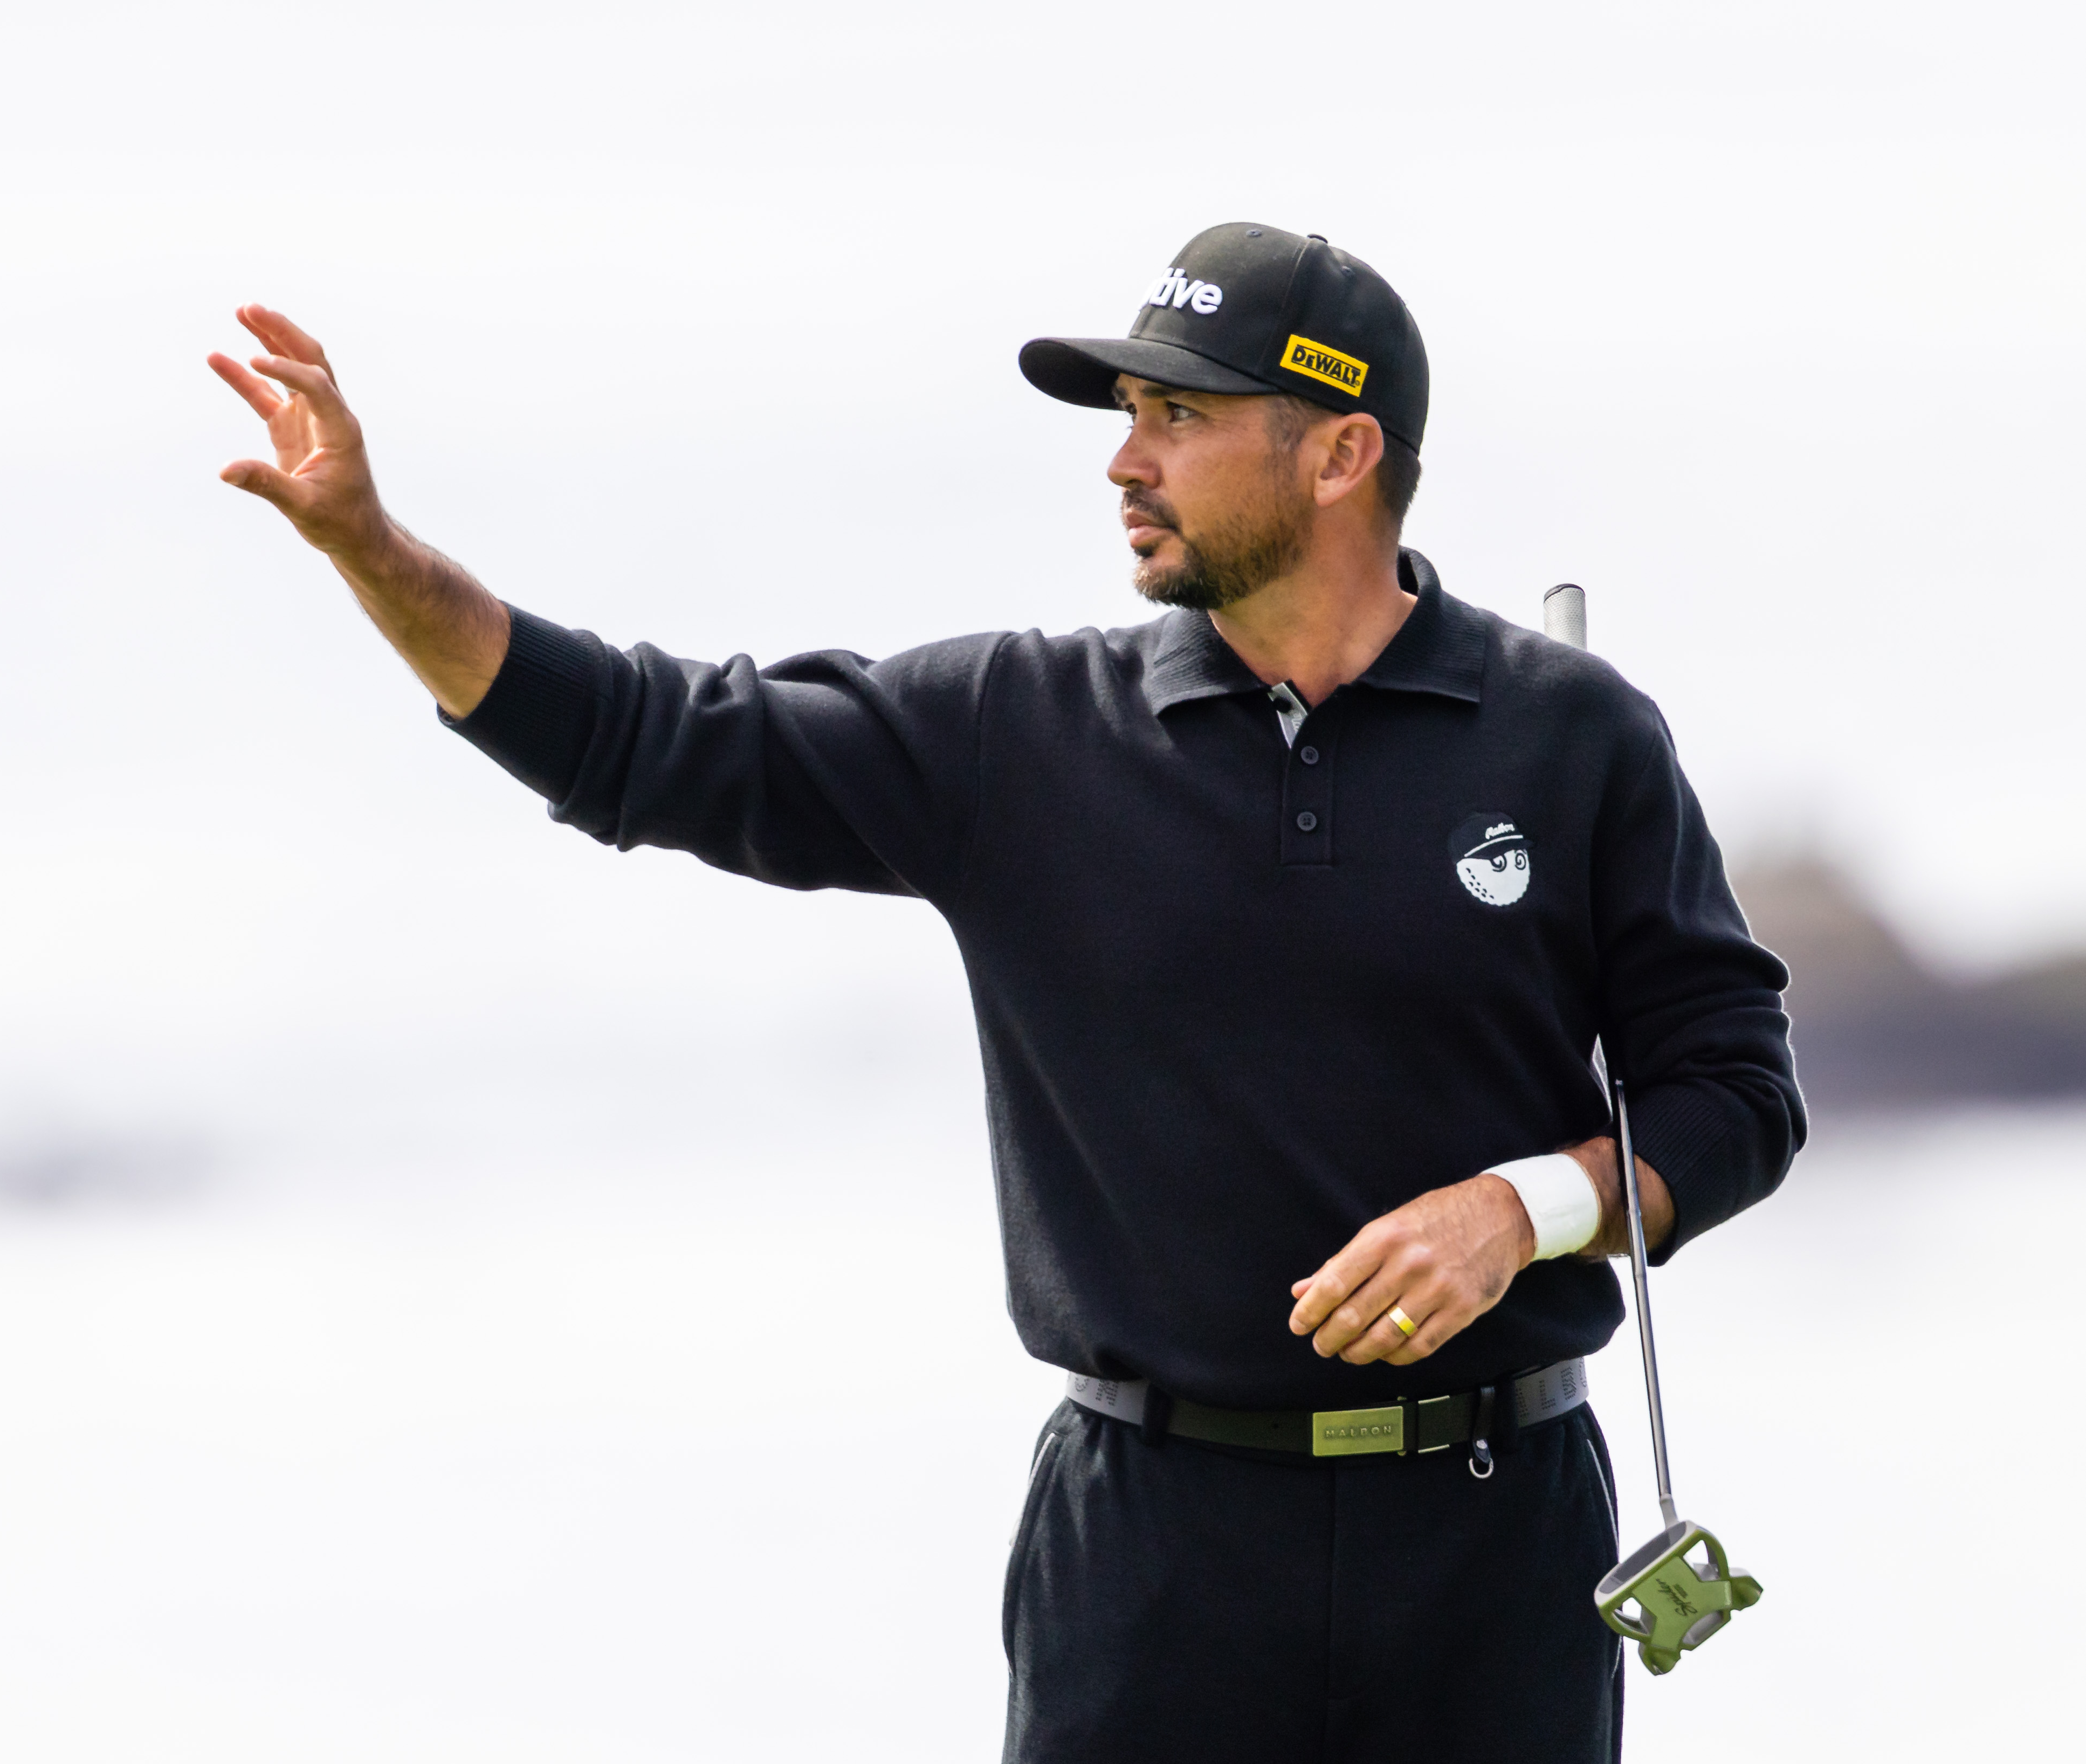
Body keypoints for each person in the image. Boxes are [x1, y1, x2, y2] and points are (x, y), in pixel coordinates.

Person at [208, 222, 1803, 1762]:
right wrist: (369, 548)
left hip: (1495, 1536)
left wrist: (1518, 1209)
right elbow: (641, 740)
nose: (1126, 461)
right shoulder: (1013, 732)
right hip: (1153, 1554)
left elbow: (1731, 1098)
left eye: (1180, 416)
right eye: (1128, 417)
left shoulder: (1571, 735)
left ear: (1339, 455)